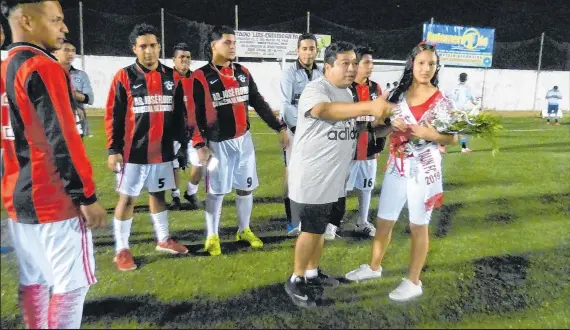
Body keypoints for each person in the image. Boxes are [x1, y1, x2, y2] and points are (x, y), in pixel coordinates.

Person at [1, 1, 107, 328]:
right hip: (53, 199)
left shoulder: (4, 66)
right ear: (27, 21)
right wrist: (85, 196)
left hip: (18, 199)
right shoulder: (42, 67)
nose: (64, 28)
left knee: (33, 281)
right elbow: (61, 138)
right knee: (71, 286)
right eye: (57, 20)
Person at [345, 42, 458, 302]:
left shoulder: (441, 101)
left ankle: (413, 281)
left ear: (436, 67)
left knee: (419, 225)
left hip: (423, 167)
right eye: (421, 63)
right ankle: (374, 268)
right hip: (398, 164)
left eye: (431, 64)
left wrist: (431, 134)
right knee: (385, 220)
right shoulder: (397, 93)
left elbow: (453, 138)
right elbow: (378, 128)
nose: (426, 68)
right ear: (412, 64)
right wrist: (387, 123)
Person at [284, 41, 393, 308]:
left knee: (320, 229)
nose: (352, 68)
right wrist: (368, 106)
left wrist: (390, 126)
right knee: (310, 230)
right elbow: (322, 110)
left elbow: (353, 130)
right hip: (312, 175)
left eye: (355, 63)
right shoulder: (316, 88)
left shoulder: (347, 95)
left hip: (333, 177)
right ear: (329, 66)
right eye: (345, 63)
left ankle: (311, 273)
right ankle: (296, 278)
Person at [187, 25, 289, 256]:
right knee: (217, 191)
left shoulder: (242, 72)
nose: (232, 46)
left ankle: (244, 229)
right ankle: (212, 236)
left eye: (234, 42)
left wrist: (279, 127)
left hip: (244, 141)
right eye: (227, 42)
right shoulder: (200, 77)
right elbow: (191, 115)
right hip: (218, 144)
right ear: (214, 45)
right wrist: (200, 145)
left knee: (246, 188)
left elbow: (258, 102)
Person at [105, 23, 189, 271]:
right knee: (127, 199)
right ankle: (121, 249)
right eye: (143, 46)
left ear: (159, 46)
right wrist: (113, 150)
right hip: (132, 153)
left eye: (153, 45)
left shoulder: (172, 77)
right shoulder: (124, 76)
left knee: (158, 195)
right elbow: (114, 115)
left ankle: (163, 239)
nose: (149, 51)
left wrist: (182, 147)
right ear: (134, 49)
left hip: (162, 152)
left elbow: (179, 116)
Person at [335, 46, 387, 239]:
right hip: (347, 149)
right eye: (366, 62)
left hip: (369, 149)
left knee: (366, 187)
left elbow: (381, 118)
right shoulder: (344, 88)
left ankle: (362, 222)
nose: (370, 66)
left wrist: (380, 143)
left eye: (372, 62)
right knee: (340, 188)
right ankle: (333, 223)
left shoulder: (376, 89)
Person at [279, 32, 323, 236]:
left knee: (313, 175)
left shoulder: (321, 73)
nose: (308, 52)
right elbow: (285, 104)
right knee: (292, 175)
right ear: (298, 51)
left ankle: (308, 218)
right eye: (304, 48)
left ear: (316, 51)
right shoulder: (289, 73)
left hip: (316, 132)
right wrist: (297, 128)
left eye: (311, 48)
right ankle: (293, 221)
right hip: (295, 131)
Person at [169, 42, 201, 210]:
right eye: (181, 57)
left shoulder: (197, 78)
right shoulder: (166, 78)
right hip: (172, 131)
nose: (185, 60)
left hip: (194, 131)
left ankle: (191, 192)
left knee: (200, 163)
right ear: (173, 59)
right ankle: (175, 197)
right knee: (173, 165)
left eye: (188, 57)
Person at [53, 38, 94, 138]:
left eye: (73, 51)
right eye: (66, 50)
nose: (71, 54)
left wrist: (71, 94)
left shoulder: (81, 75)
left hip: (77, 121)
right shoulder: (48, 73)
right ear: (55, 53)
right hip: (54, 121)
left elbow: (90, 99)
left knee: (77, 152)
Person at [450, 72, 476, 152]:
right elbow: (472, 98)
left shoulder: (455, 87)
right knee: (465, 129)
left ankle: (441, 146)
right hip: (464, 111)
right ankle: (463, 147)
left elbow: (452, 98)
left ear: (459, 78)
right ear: (466, 78)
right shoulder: (468, 87)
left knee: (450, 128)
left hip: (456, 110)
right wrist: (476, 103)